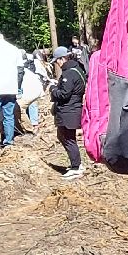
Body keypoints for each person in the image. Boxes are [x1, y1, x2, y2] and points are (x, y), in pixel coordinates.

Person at [48, 46, 86, 179]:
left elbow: (64, 94)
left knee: (68, 139)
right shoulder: (78, 70)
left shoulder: (69, 73)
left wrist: (53, 88)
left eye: (57, 60)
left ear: (63, 58)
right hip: (73, 109)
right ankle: (76, 164)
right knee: (64, 137)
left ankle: (76, 167)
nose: (57, 64)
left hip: (68, 111)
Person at [18, 48, 48, 132]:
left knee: (21, 107)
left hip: (28, 89)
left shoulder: (19, 66)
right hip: (35, 88)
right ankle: (34, 124)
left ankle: (30, 127)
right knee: (32, 104)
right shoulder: (32, 63)